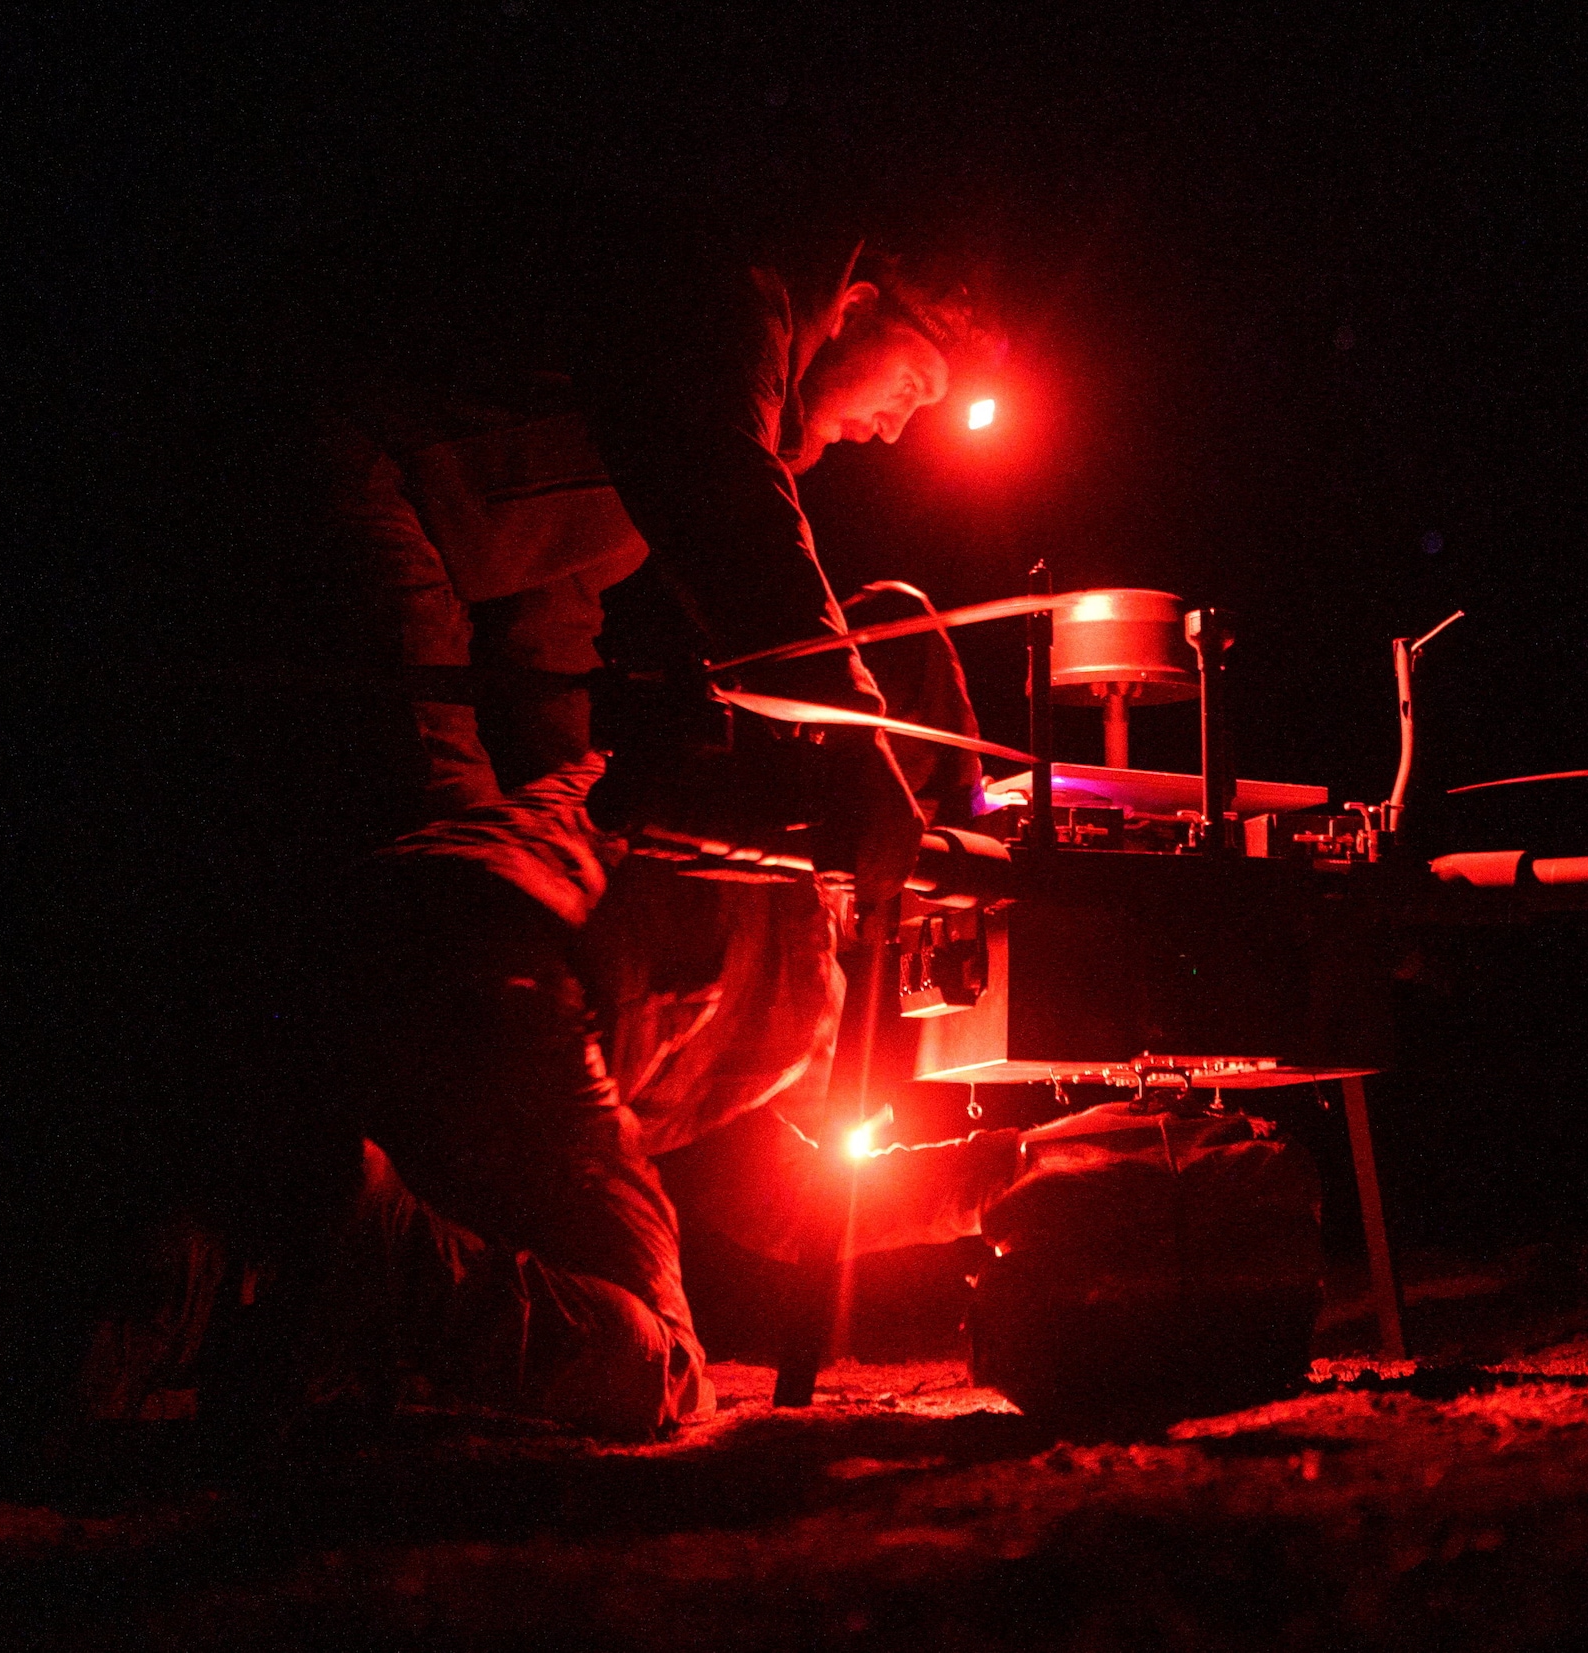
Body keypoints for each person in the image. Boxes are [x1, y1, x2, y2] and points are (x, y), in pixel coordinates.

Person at [214, 233, 1019, 1439]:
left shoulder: (660, 765)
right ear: (851, 309)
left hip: (497, 947)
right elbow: (733, 495)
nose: (898, 430)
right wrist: (856, 750)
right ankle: (361, 1247)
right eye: (908, 388)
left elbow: (550, 631)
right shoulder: (731, 312)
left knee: (448, 860)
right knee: (658, 1376)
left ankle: (208, 1245)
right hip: (356, 488)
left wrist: (999, 1176)